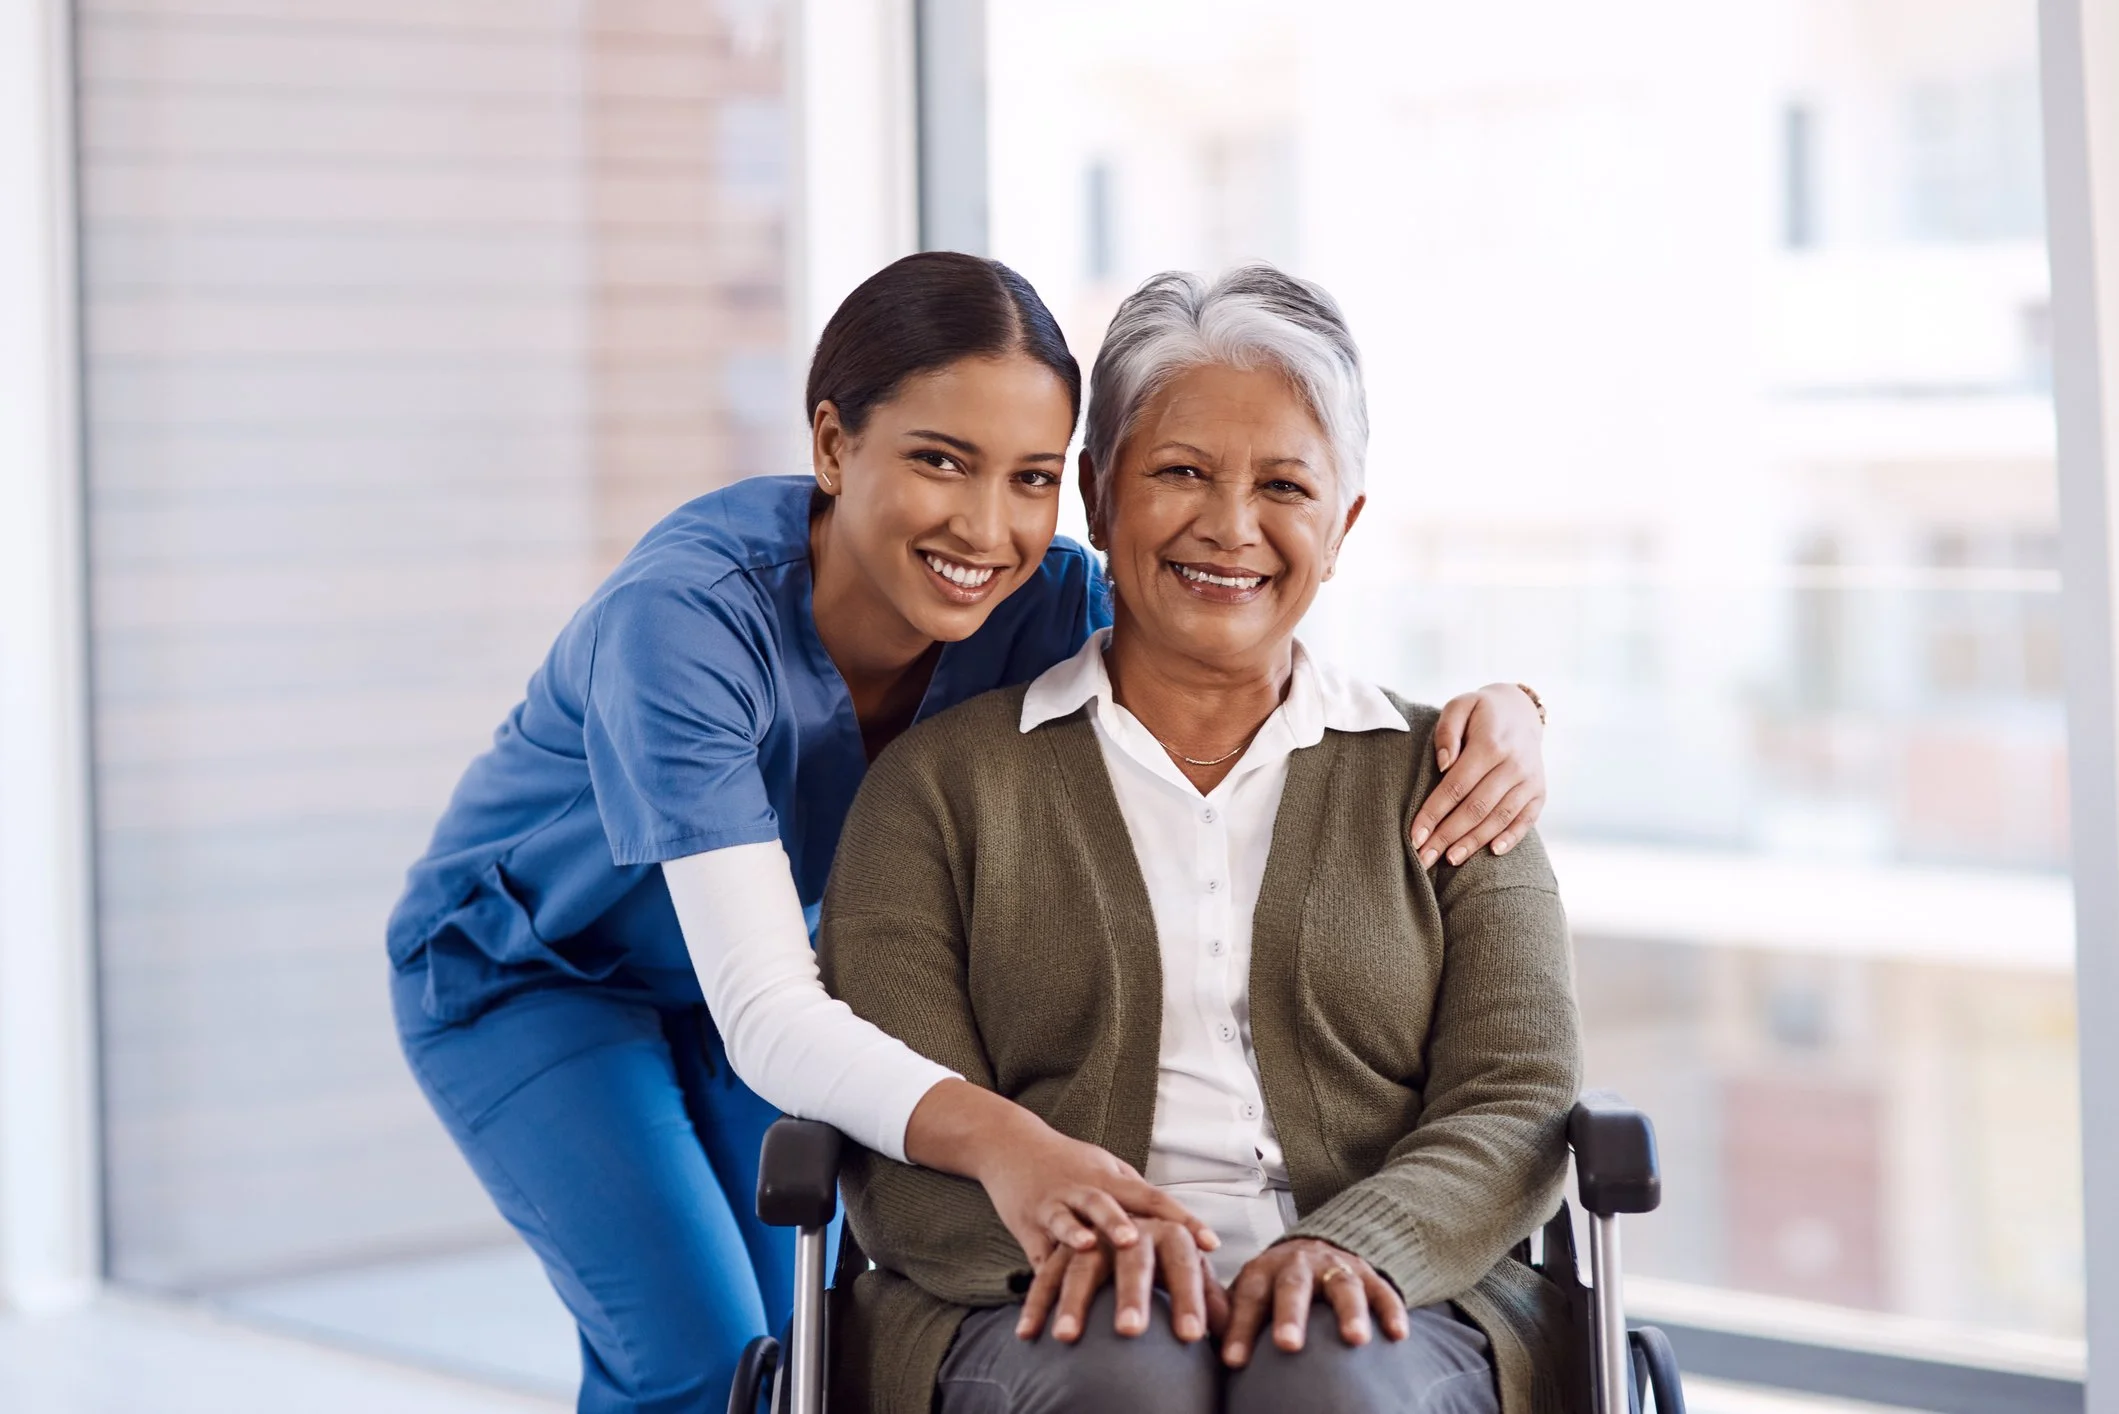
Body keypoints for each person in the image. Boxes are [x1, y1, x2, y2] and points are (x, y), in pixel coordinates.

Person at [387, 252, 1551, 1413]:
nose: (988, 525)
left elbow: (1213, 639)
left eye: (1031, 477)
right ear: (834, 445)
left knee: (787, 1351)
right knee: (695, 1357)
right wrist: (1011, 1145)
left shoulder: (1041, 596)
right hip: (540, 972)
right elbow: (769, 1013)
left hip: (782, 963)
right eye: (941, 461)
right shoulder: (684, 625)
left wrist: (1516, 714)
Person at [817, 264, 1582, 1414]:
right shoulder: (938, 790)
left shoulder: (1458, 781)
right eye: (1180, 472)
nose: (1230, 526)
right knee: (1125, 1372)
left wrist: (1360, 1245)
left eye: (1284, 485)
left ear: (1342, 528)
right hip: (1029, 1303)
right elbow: (898, 1112)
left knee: (1326, 1375)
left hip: (1399, 1307)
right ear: (1096, 496)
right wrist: (1092, 1248)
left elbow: (1517, 1093)